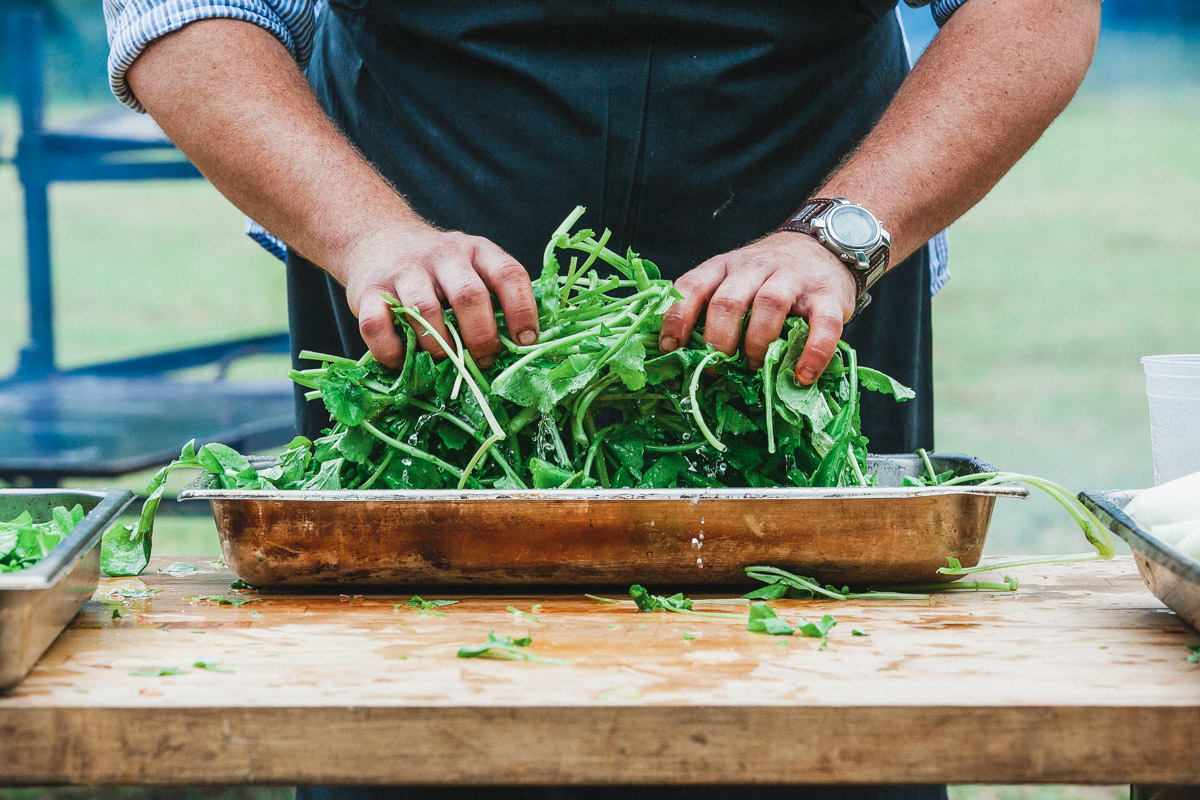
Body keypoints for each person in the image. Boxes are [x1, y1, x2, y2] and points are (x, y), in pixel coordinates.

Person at [102, 1, 1100, 798]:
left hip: (805, 252)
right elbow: (187, 11)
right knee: (410, 701)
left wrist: (841, 234)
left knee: (819, 699)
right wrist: (364, 233)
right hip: (419, 272)